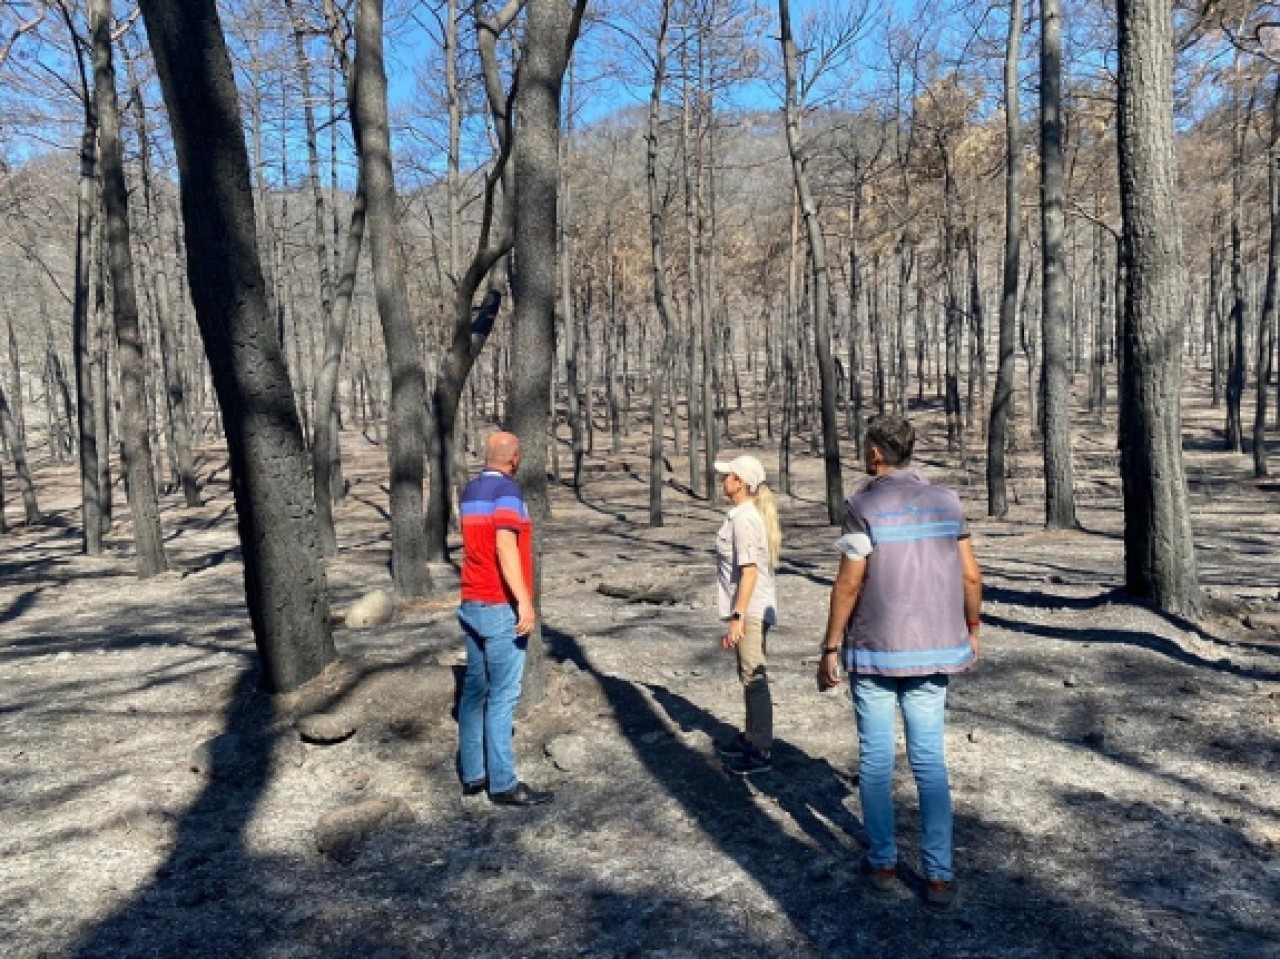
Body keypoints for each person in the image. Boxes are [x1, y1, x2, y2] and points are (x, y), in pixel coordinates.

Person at [816, 414, 981, 908]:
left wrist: (829, 645)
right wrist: (972, 627)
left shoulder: (862, 506)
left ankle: (884, 862)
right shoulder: (948, 503)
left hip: (874, 650)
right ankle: (938, 875)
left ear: (875, 454)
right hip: (934, 650)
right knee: (929, 761)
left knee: (875, 760)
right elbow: (971, 577)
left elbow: (849, 581)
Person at [456, 431, 552, 806]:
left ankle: (473, 774)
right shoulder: (507, 492)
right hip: (499, 605)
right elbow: (505, 547)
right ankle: (503, 784)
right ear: (514, 459)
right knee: (502, 696)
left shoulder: (470, 491)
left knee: (474, 691)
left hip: (471, 601)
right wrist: (524, 602)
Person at [711, 454, 782, 776]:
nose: (723, 480)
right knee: (748, 674)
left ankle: (761, 751)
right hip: (748, 607)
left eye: (728, 475)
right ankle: (752, 737)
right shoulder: (742, 514)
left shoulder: (744, 518)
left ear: (740, 482)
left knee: (754, 677)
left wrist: (738, 615)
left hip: (749, 609)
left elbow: (749, 572)